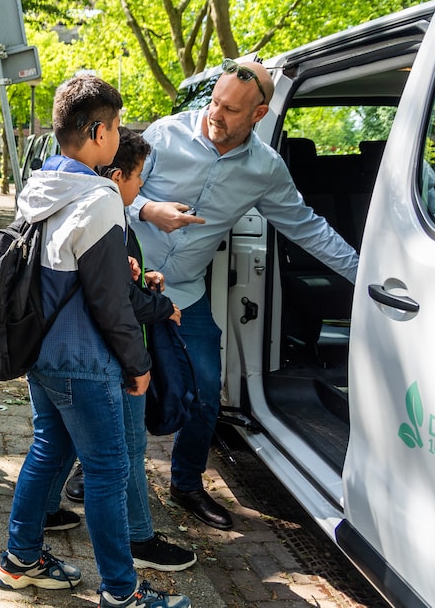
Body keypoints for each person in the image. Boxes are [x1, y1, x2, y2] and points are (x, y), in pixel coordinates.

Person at [129, 59, 358, 530]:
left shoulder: (265, 169)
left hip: (185, 296)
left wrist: (366, 273)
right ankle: (89, 469)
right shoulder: (163, 136)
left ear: (258, 115)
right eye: (214, 102)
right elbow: (108, 191)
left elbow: (306, 227)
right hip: (127, 283)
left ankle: (187, 483)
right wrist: (149, 209)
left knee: (207, 391)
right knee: (113, 386)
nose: (216, 115)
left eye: (231, 110)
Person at [0, 74, 190, 608]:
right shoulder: (99, 195)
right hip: (84, 359)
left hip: (42, 352)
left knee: (47, 449)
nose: (119, 132)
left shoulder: (42, 185)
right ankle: (123, 592)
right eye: (118, 124)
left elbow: (68, 268)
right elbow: (109, 303)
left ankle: (20, 560)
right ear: (100, 132)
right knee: (106, 470)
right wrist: (137, 361)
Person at [43, 128, 197, 574]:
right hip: (100, 354)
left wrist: (140, 281)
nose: (141, 188)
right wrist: (157, 317)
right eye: (139, 177)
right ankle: (132, 550)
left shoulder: (63, 196)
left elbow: (110, 281)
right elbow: (114, 300)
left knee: (54, 445)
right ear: (115, 173)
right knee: (121, 455)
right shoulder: (105, 209)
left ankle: (33, 533)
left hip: (60, 351)